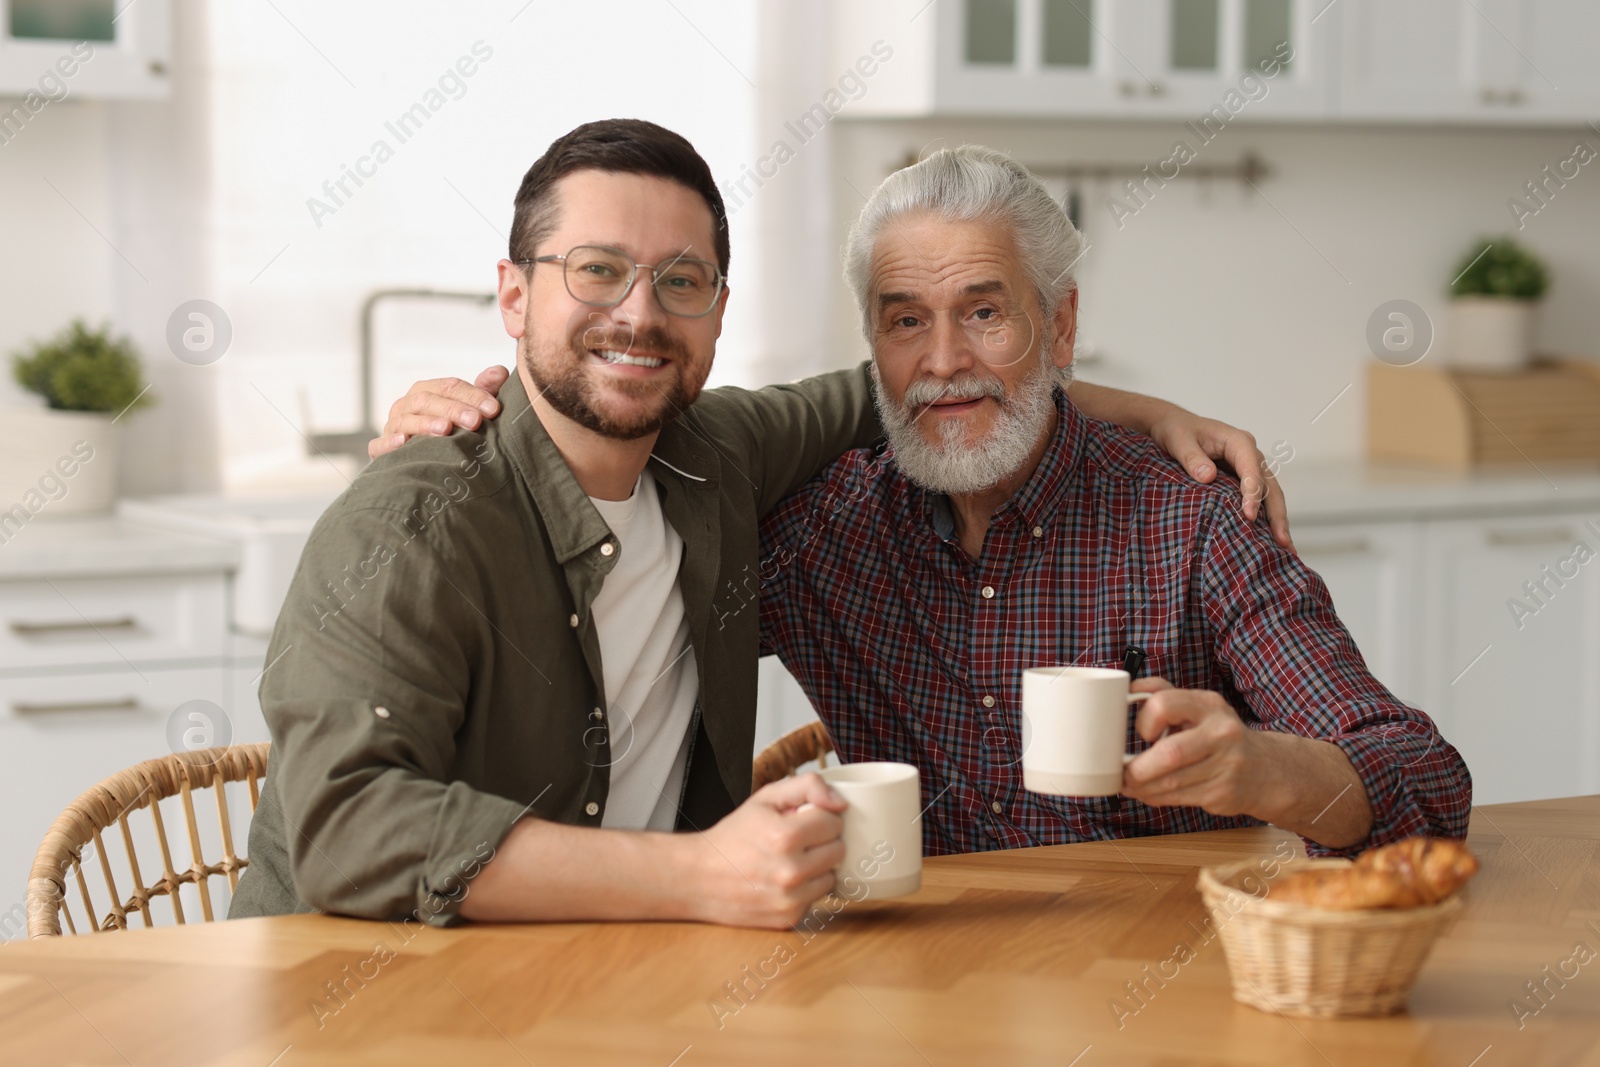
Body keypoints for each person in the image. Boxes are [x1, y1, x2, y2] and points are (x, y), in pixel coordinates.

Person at [232, 119, 1287, 932]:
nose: (638, 313)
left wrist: (1152, 413)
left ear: (718, 312)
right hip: (359, 1000)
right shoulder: (413, 519)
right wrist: (700, 872)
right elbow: (348, 829)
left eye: (679, 281)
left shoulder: (714, 453)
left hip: (630, 985)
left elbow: (931, 380)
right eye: (596, 270)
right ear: (513, 296)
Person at [387, 145, 1469, 864]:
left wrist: (1262, 768)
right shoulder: (819, 530)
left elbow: (1424, 780)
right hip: (912, 998)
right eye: (904, 320)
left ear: (1059, 324)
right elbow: (615, 468)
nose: (943, 361)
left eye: (985, 312)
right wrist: (483, 423)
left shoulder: (1185, 523)